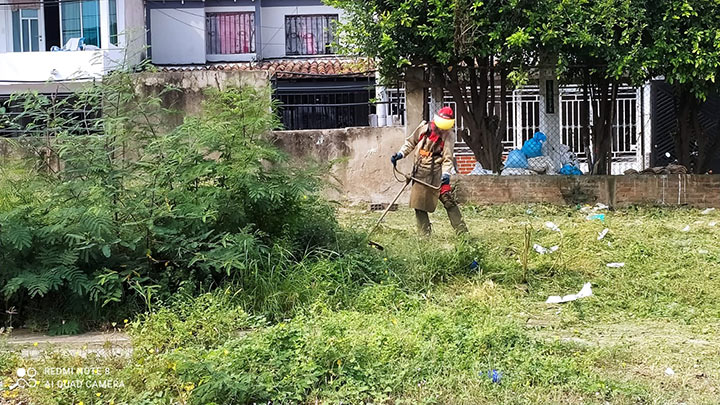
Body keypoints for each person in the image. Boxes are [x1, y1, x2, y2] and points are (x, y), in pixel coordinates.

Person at [390, 107, 468, 236]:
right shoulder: (424, 128)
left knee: (448, 200)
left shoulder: (449, 136)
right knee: (418, 204)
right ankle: (424, 236)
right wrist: (400, 154)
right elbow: (410, 143)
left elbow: (448, 159)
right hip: (420, 171)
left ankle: (463, 234)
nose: (442, 129)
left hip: (438, 172)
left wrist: (446, 174)